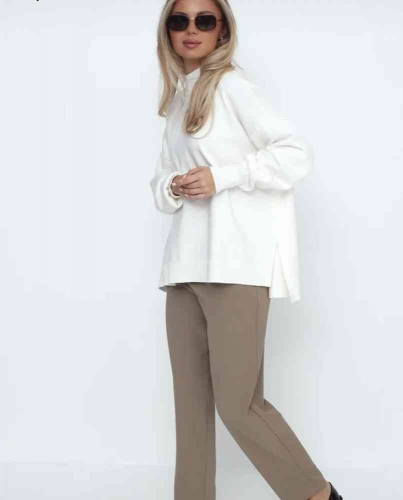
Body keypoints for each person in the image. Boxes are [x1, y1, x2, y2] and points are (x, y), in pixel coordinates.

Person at [150, 1, 344, 499]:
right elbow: (159, 184)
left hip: (236, 266)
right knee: (190, 410)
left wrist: (224, 176)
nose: (191, 29)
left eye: (204, 20)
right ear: (167, 31)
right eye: (179, 20)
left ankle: (316, 495)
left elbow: (295, 154)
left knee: (239, 406)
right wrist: (174, 185)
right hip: (185, 269)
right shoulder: (178, 99)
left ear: (222, 30)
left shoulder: (233, 87)